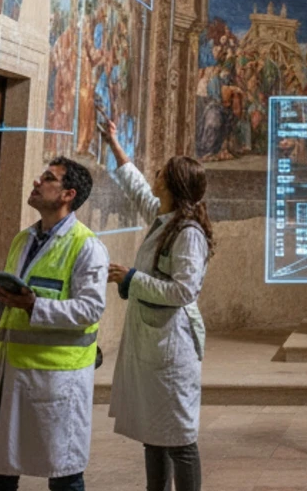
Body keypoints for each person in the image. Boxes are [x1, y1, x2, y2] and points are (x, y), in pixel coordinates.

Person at [0, 158, 108, 491]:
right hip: (10, 373)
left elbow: (89, 310)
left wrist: (34, 305)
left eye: (48, 178)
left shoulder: (86, 247)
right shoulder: (23, 240)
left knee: (63, 477)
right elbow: (11, 308)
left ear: (67, 194)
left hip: (56, 381)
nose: (36, 182)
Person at [101, 122, 214, 491]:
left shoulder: (188, 233)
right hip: (154, 343)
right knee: (154, 431)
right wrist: (116, 147)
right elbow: (136, 190)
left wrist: (131, 278)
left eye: (161, 172)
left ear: (172, 184)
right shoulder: (165, 218)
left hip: (172, 347)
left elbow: (184, 291)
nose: (155, 174)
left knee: (179, 439)